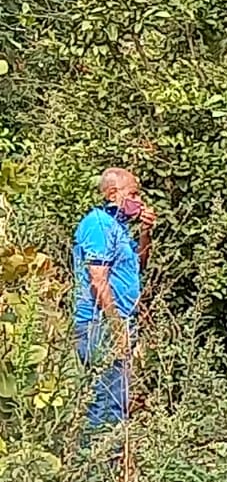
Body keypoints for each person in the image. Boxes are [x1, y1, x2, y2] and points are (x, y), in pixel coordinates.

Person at [71, 167, 155, 433]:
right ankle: (97, 469)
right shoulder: (98, 225)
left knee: (116, 400)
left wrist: (145, 232)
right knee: (105, 403)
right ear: (112, 193)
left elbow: (138, 266)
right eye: (133, 193)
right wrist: (117, 327)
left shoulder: (118, 228)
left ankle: (111, 465)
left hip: (118, 321)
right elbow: (98, 281)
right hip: (100, 325)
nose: (139, 200)